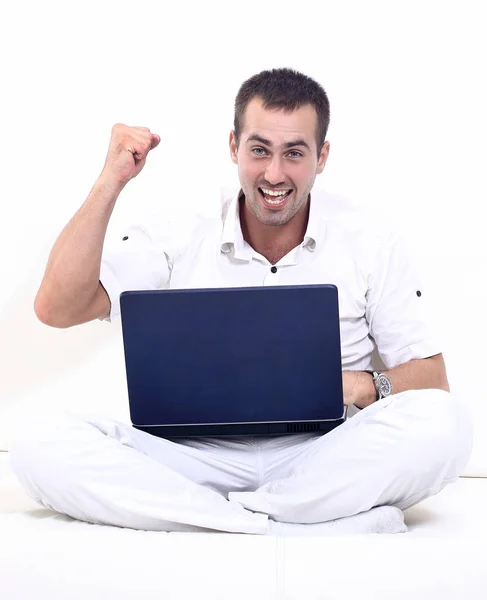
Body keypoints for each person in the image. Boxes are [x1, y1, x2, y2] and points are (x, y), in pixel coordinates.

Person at [9, 68, 473, 536]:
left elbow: (433, 383)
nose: (274, 174)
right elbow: (57, 307)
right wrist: (111, 180)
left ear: (322, 157)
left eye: (294, 153)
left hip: (323, 457)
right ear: (234, 147)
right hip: (193, 457)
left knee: (446, 424)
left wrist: (357, 385)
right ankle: (289, 522)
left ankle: (215, 517)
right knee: (34, 442)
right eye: (259, 151)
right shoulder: (180, 227)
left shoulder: (371, 240)